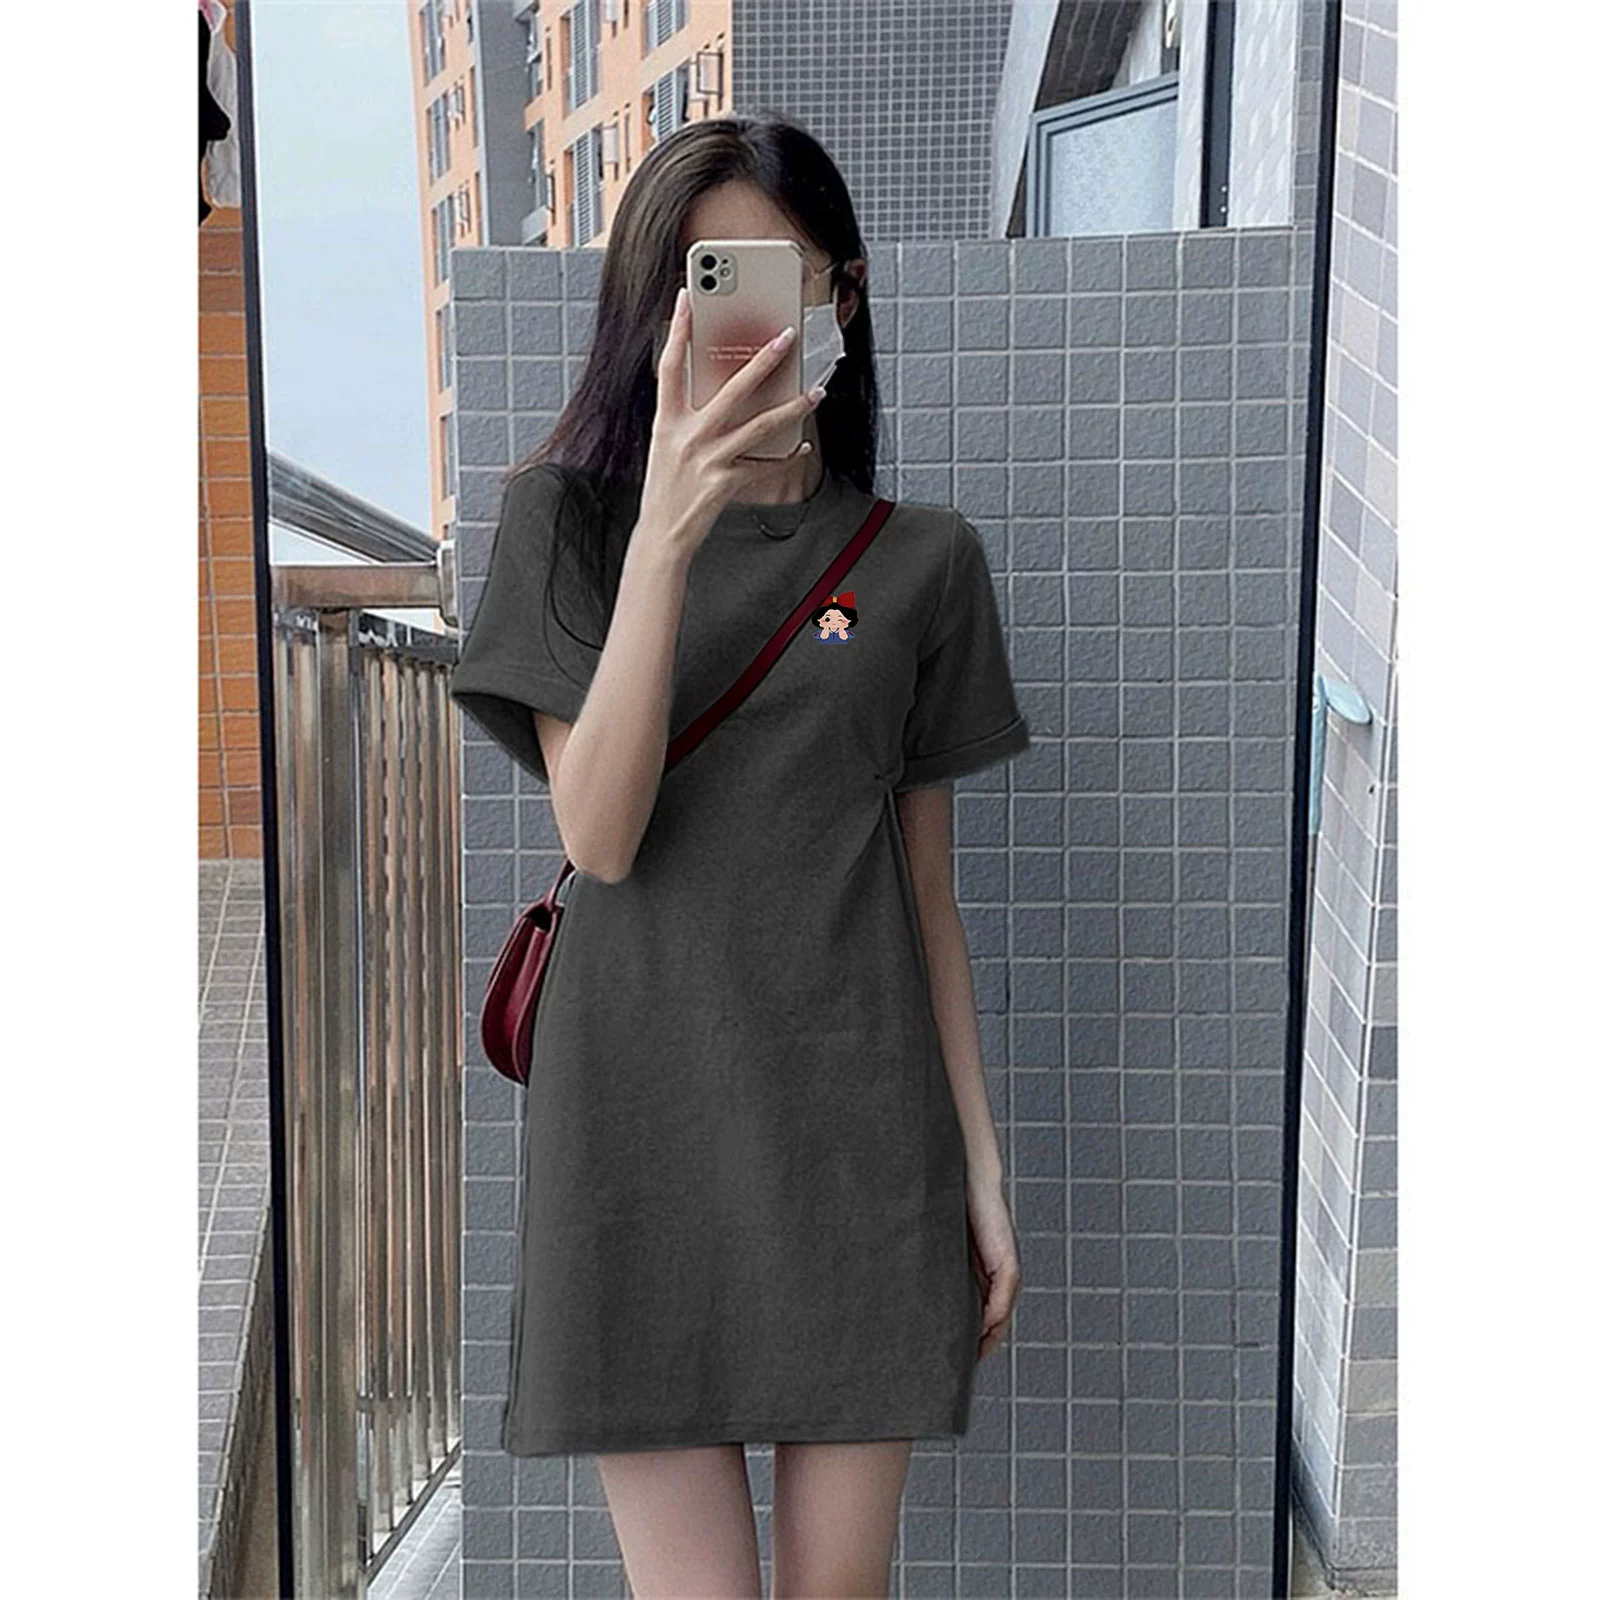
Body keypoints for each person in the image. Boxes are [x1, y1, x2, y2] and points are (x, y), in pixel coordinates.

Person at [449, 112, 1030, 1599]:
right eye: (699, 282)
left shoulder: (924, 561)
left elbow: (926, 896)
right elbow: (599, 831)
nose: (733, 323)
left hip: (860, 1141)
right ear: (651, 312)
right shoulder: (566, 529)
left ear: (843, 296)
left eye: (772, 276)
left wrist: (980, 1170)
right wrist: (666, 533)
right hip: (636, 1145)